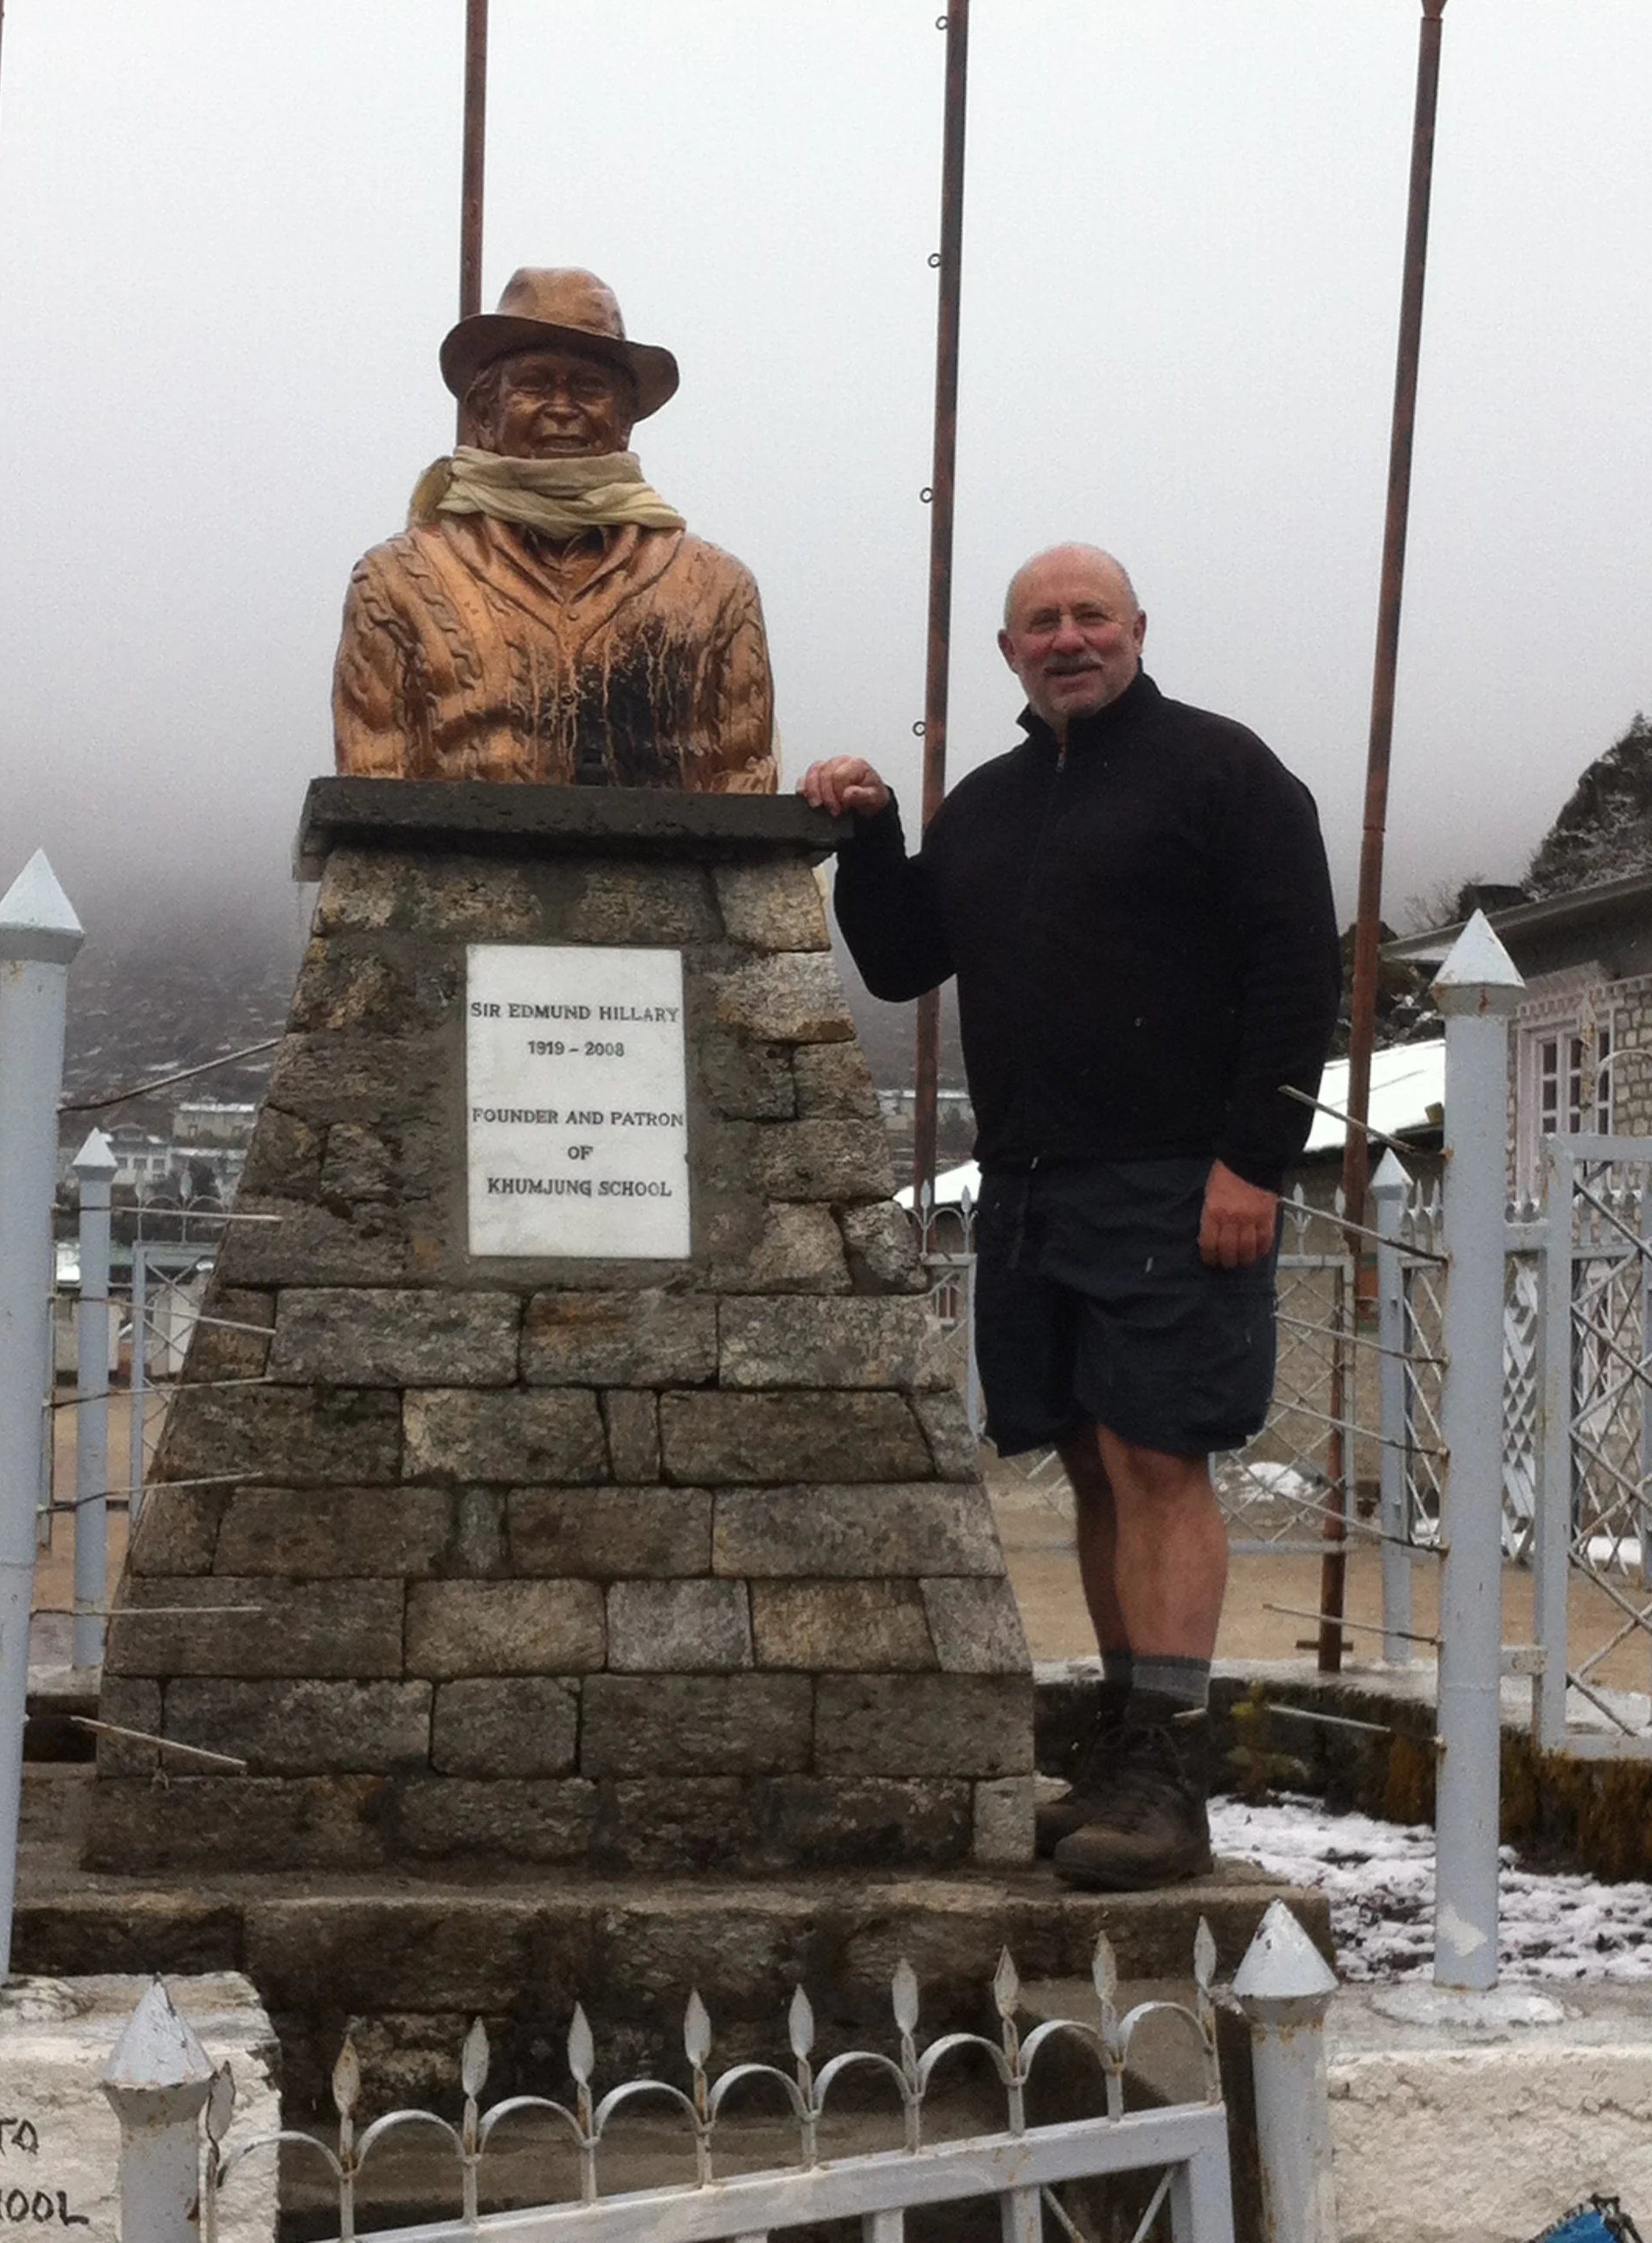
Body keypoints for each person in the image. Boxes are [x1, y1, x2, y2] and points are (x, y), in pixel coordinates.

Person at [799, 543, 1339, 1890]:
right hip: (1031, 1186)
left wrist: (1253, 1164)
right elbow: (901, 953)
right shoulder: (981, 806)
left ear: (1140, 629)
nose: (1067, 636)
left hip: (1177, 1177)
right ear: (1008, 653)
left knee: (1162, 1461)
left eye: (1090, 614)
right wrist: (869, 834)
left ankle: (1171, 1777)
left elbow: (1296, 972)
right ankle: (1120, 1754)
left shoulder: (1228, 774)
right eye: (1040, 621)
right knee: (1094, 1464)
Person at [332, 267, 776, 791]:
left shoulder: (715, 587)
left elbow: (745, 779)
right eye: (534, 384)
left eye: (589, 387)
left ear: (626, 416)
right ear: (482, 410)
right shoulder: (396, 581)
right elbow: (373, 789)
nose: (562, 408)